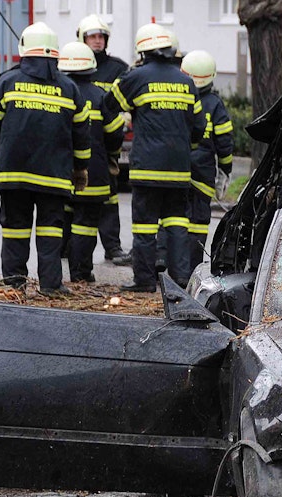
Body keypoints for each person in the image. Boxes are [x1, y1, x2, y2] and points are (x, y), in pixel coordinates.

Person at [0, 22, 91, 296]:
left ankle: (15, 283)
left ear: (24, 50)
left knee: (15, 228)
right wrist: (81, 169)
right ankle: (51, 285)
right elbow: (82, 133)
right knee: (51, 231)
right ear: (55, 54)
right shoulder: (69, 88)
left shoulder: (5, 82)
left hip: (13, 175)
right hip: (53, 176)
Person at [104, 24, 205, 292]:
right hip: (179, 170)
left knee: (145, 229)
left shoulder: (137, 77)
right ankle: (181, 281)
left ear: (142, 51)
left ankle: (145, 281)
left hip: (147, 169)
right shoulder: (186, 81)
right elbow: (199, 128)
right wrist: (184, 147)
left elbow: (108, 105)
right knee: (177, 226)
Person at [58, 41, 125, 283]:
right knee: (85, 226)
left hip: (59, 172)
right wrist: (111, 155)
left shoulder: (58, 93)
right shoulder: (100, 96)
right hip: (93, 172)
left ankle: (53, 274)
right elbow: (116, 133)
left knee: (59, 223)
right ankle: (81, 274)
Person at [76, 13, 131, 266]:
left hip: (105, 143)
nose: (97, 41)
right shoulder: (72, 66)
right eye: (92, 36)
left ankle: (113, 247)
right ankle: (69, 247)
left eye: (101, 36)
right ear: (82, 38)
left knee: (109, 197)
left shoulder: (119, 69)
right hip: (77, 142)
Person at [179, 50, 235, 278]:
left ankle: (167, 265)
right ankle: (191, 269)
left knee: (173, 219)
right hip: (202, 172)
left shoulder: (180, 98)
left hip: (179, 168)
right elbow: (225, 142)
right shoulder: (215, 105)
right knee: (199, 223)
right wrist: (226, 170)